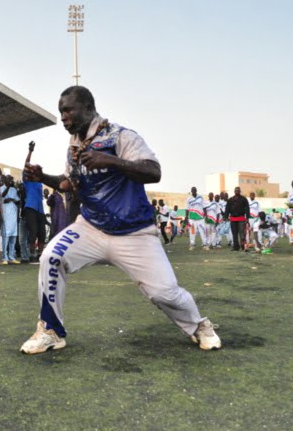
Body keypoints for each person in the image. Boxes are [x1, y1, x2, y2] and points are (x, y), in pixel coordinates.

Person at [19, 85, 221, 355]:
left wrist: (111, 160)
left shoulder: (120, 136)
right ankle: (51, 330)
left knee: (164, 293)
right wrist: (43, 177)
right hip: (91, 227)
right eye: (61, 112)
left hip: (134, 232)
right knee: (50, 257)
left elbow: (153, 171)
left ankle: (198, 325)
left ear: (89, 108)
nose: (64, 117)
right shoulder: (73, 147)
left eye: (68, 110)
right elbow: (69, 183)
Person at [22, 171, 46, 260]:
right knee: (33, 231)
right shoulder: (27, 182)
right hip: (30, 207)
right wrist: (28, 157)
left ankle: (40, 253)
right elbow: (25, 170)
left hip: (40, 209)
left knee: (42, 233)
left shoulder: (40, 183)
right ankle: (32, 254)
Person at [0, 175, 20, 264]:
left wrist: (12, 199)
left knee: (13, 237)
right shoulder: (1, 188)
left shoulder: (14, 190)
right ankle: (5, 258)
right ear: (5, 180)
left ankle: (12, 257)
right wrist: (8, 187)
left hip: (13, 216)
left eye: (11, 179)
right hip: (5, 216)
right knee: (6, 238)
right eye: (8, 179)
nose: (10, 181)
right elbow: (2, 196)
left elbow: (18, 201)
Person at [224, 187, 249, 251]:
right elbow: (227, 209)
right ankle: (236, 247)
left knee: (242, 233)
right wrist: (226, 217)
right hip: (233, 219)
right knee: (234, 233)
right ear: (234, 191)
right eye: (236, 191)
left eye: (238, 191)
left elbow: (247, 209)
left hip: (241, 218)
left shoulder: (244, 199)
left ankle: (243, 246)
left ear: (240, 191)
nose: (237, 192)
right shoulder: (230, 200)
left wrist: (247, 218)